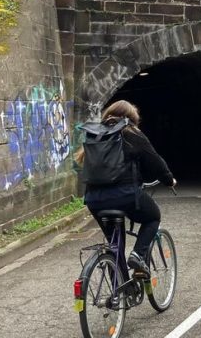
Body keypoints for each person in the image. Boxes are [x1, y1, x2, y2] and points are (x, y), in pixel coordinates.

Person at [75, 100, 176, 277]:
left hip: (94, 199)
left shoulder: (95, 134)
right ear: (131, 118)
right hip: (125, 195)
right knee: (153, 217)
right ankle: (138, 255)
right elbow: (155, 161)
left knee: (115, 246)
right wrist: (169, 180)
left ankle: (119, 293)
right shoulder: (130, 132)